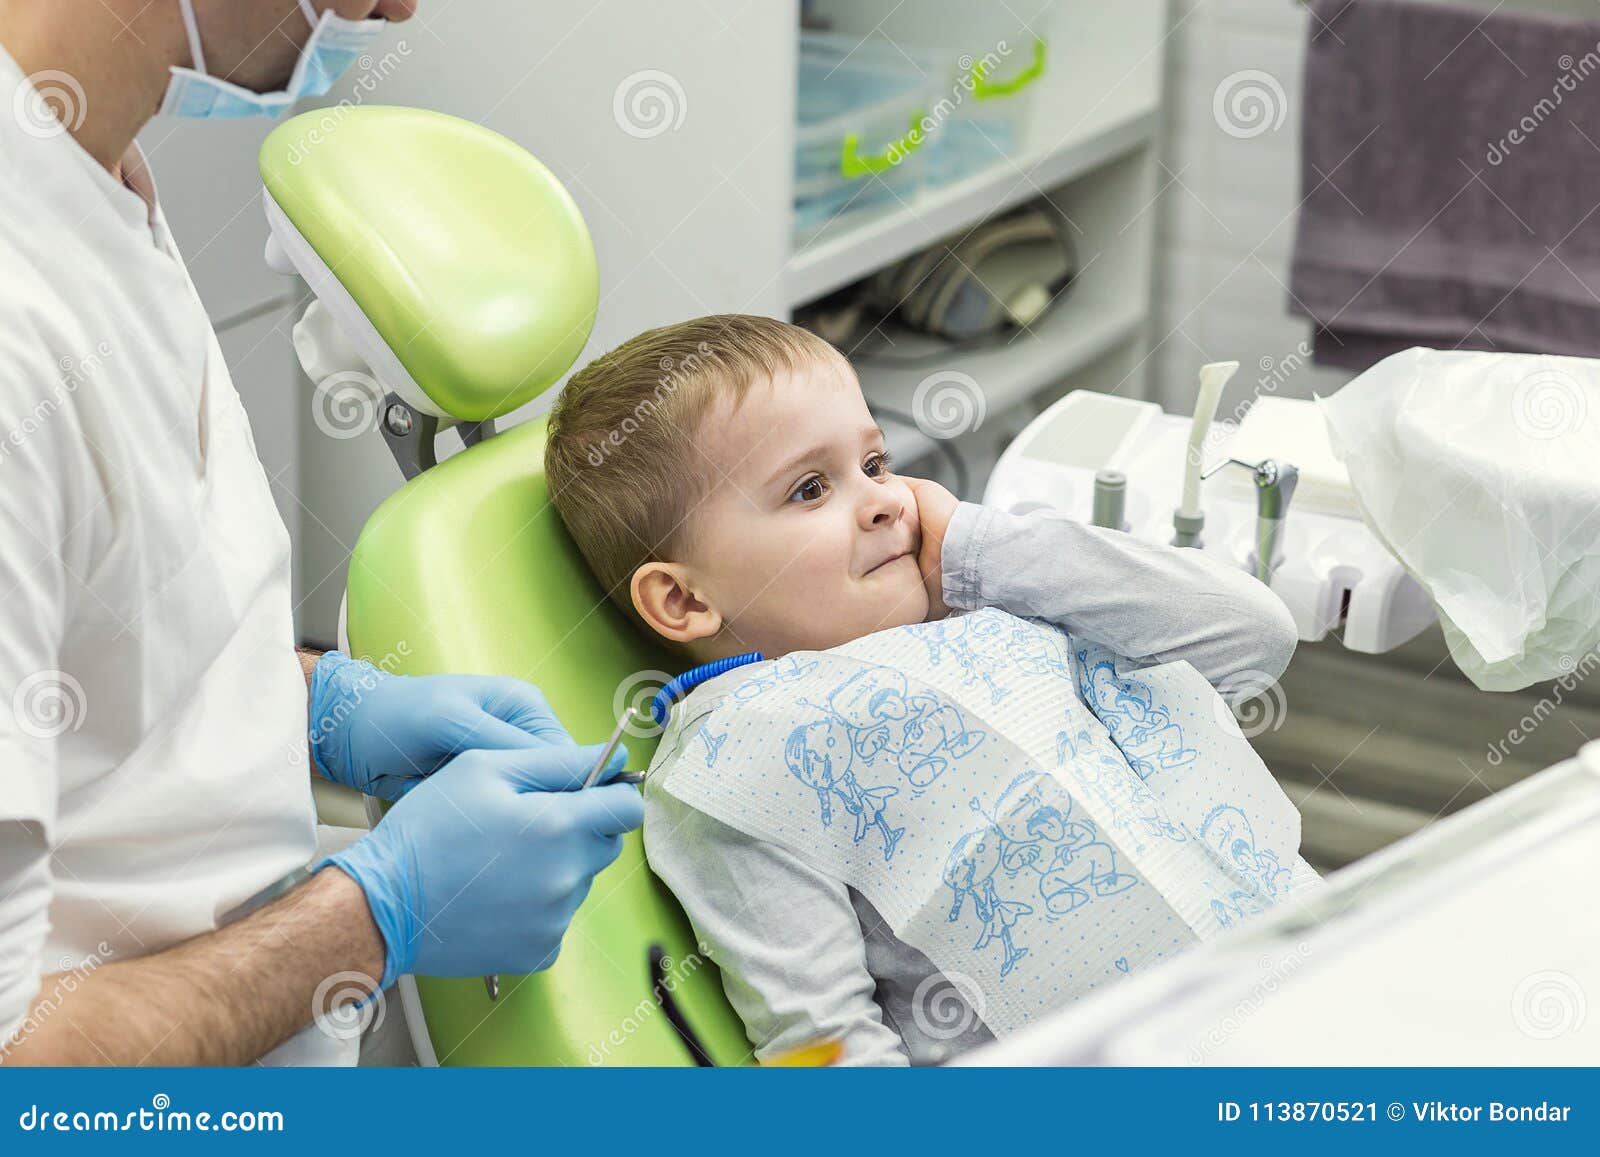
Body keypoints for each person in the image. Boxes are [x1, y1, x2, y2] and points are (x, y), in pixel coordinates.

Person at [0, 0, 642, 1067]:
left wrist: (318, 706)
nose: (398, 8)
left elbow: (109, 666)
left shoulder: (88, 174)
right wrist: (375, 915)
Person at [543, 314, 1305, 1063]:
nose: (887, 500)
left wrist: (976, 547)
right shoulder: (736, 763)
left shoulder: (989, 606)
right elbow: (828, 1045)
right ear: (684, 600)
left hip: (1308, 971)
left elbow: (1252, 636)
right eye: (810, 488)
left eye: (875, 463)